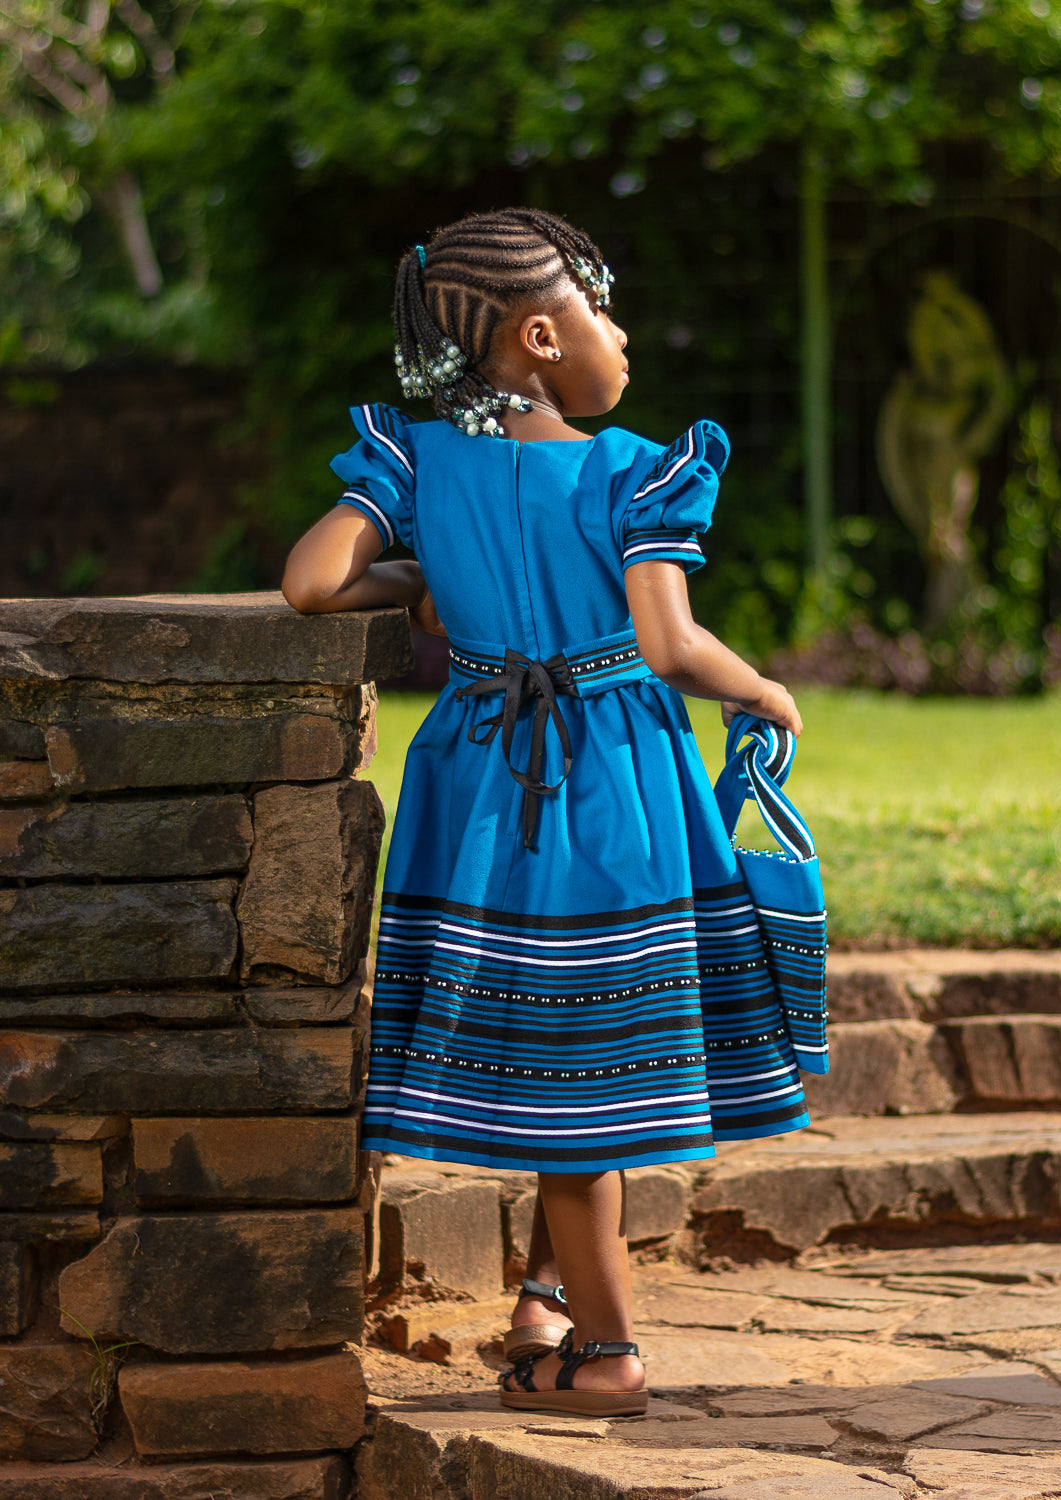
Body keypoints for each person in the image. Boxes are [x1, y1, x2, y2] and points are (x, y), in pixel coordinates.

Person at [282, 208, 810, 1418]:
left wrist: (421, 575)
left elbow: (312, 582)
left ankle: (547, 1303)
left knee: (546, 1051)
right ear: (539, 335)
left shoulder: (418, 460)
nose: (618, 334)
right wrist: (765, 689)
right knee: (595, 1065)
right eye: (600, 310)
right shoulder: (633, 469)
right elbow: (669, 644)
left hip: (478, 783)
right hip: (611, 780)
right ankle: (611, 1360)